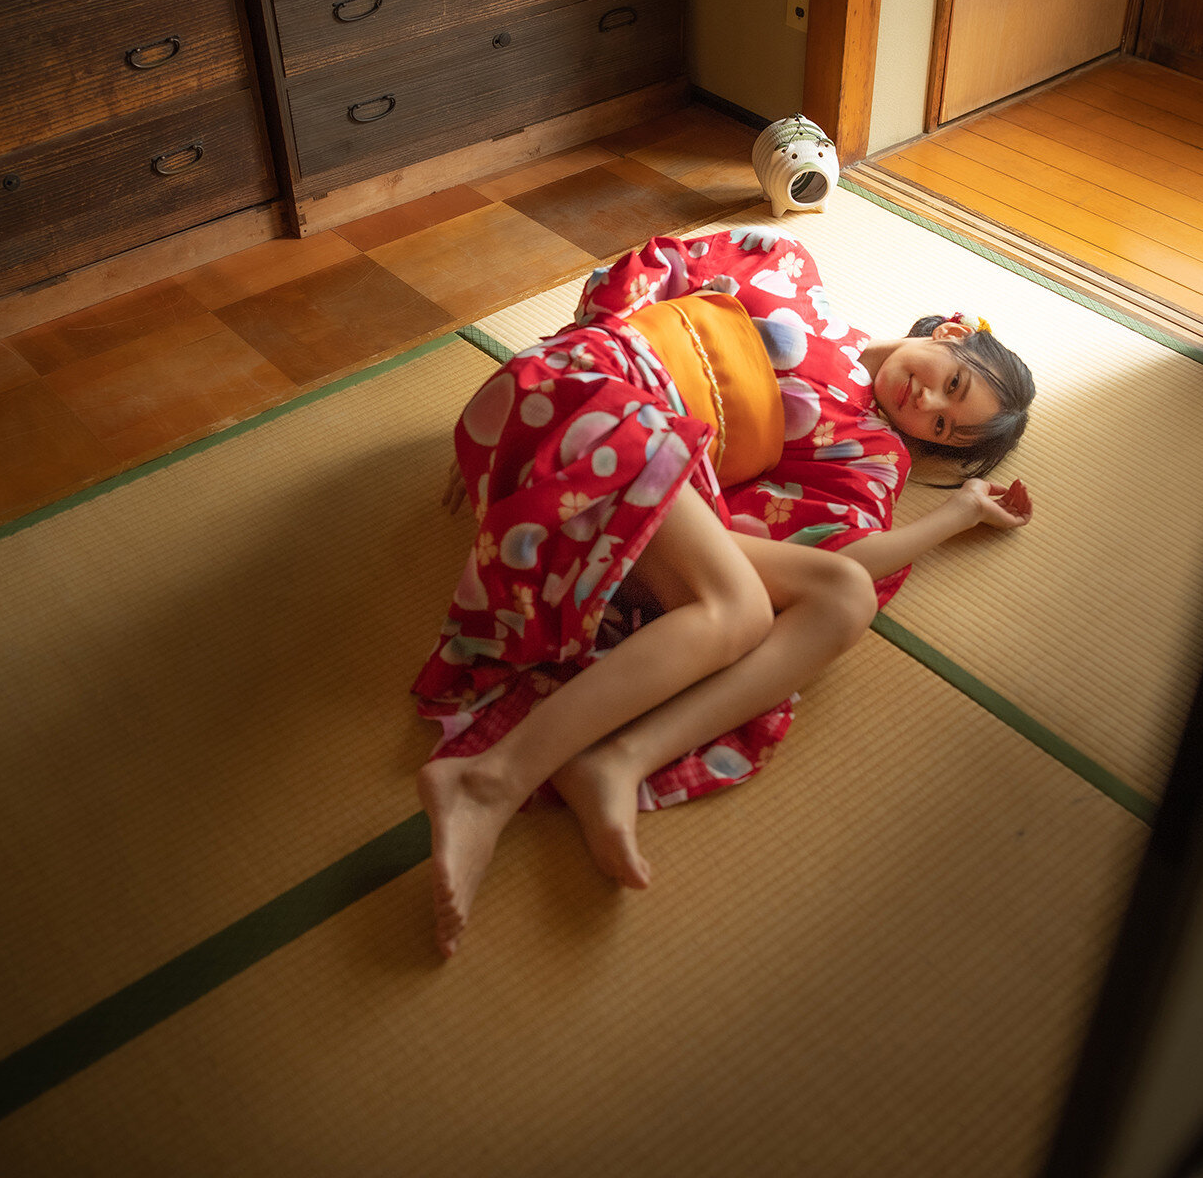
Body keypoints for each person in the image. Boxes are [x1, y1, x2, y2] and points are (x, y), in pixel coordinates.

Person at [412, 228, 1036, 957]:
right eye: (951, 384)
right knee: (739, 609)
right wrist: (525, 406)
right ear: (952, 334)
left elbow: (842, 551)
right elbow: (639, 277)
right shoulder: (790, 273)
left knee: (844, 598)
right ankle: (490, 782)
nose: (925, 400)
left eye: (942, 424)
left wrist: (956, 515)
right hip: (586, 391)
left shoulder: (873, 453)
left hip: (636, 495)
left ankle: (617, 760)